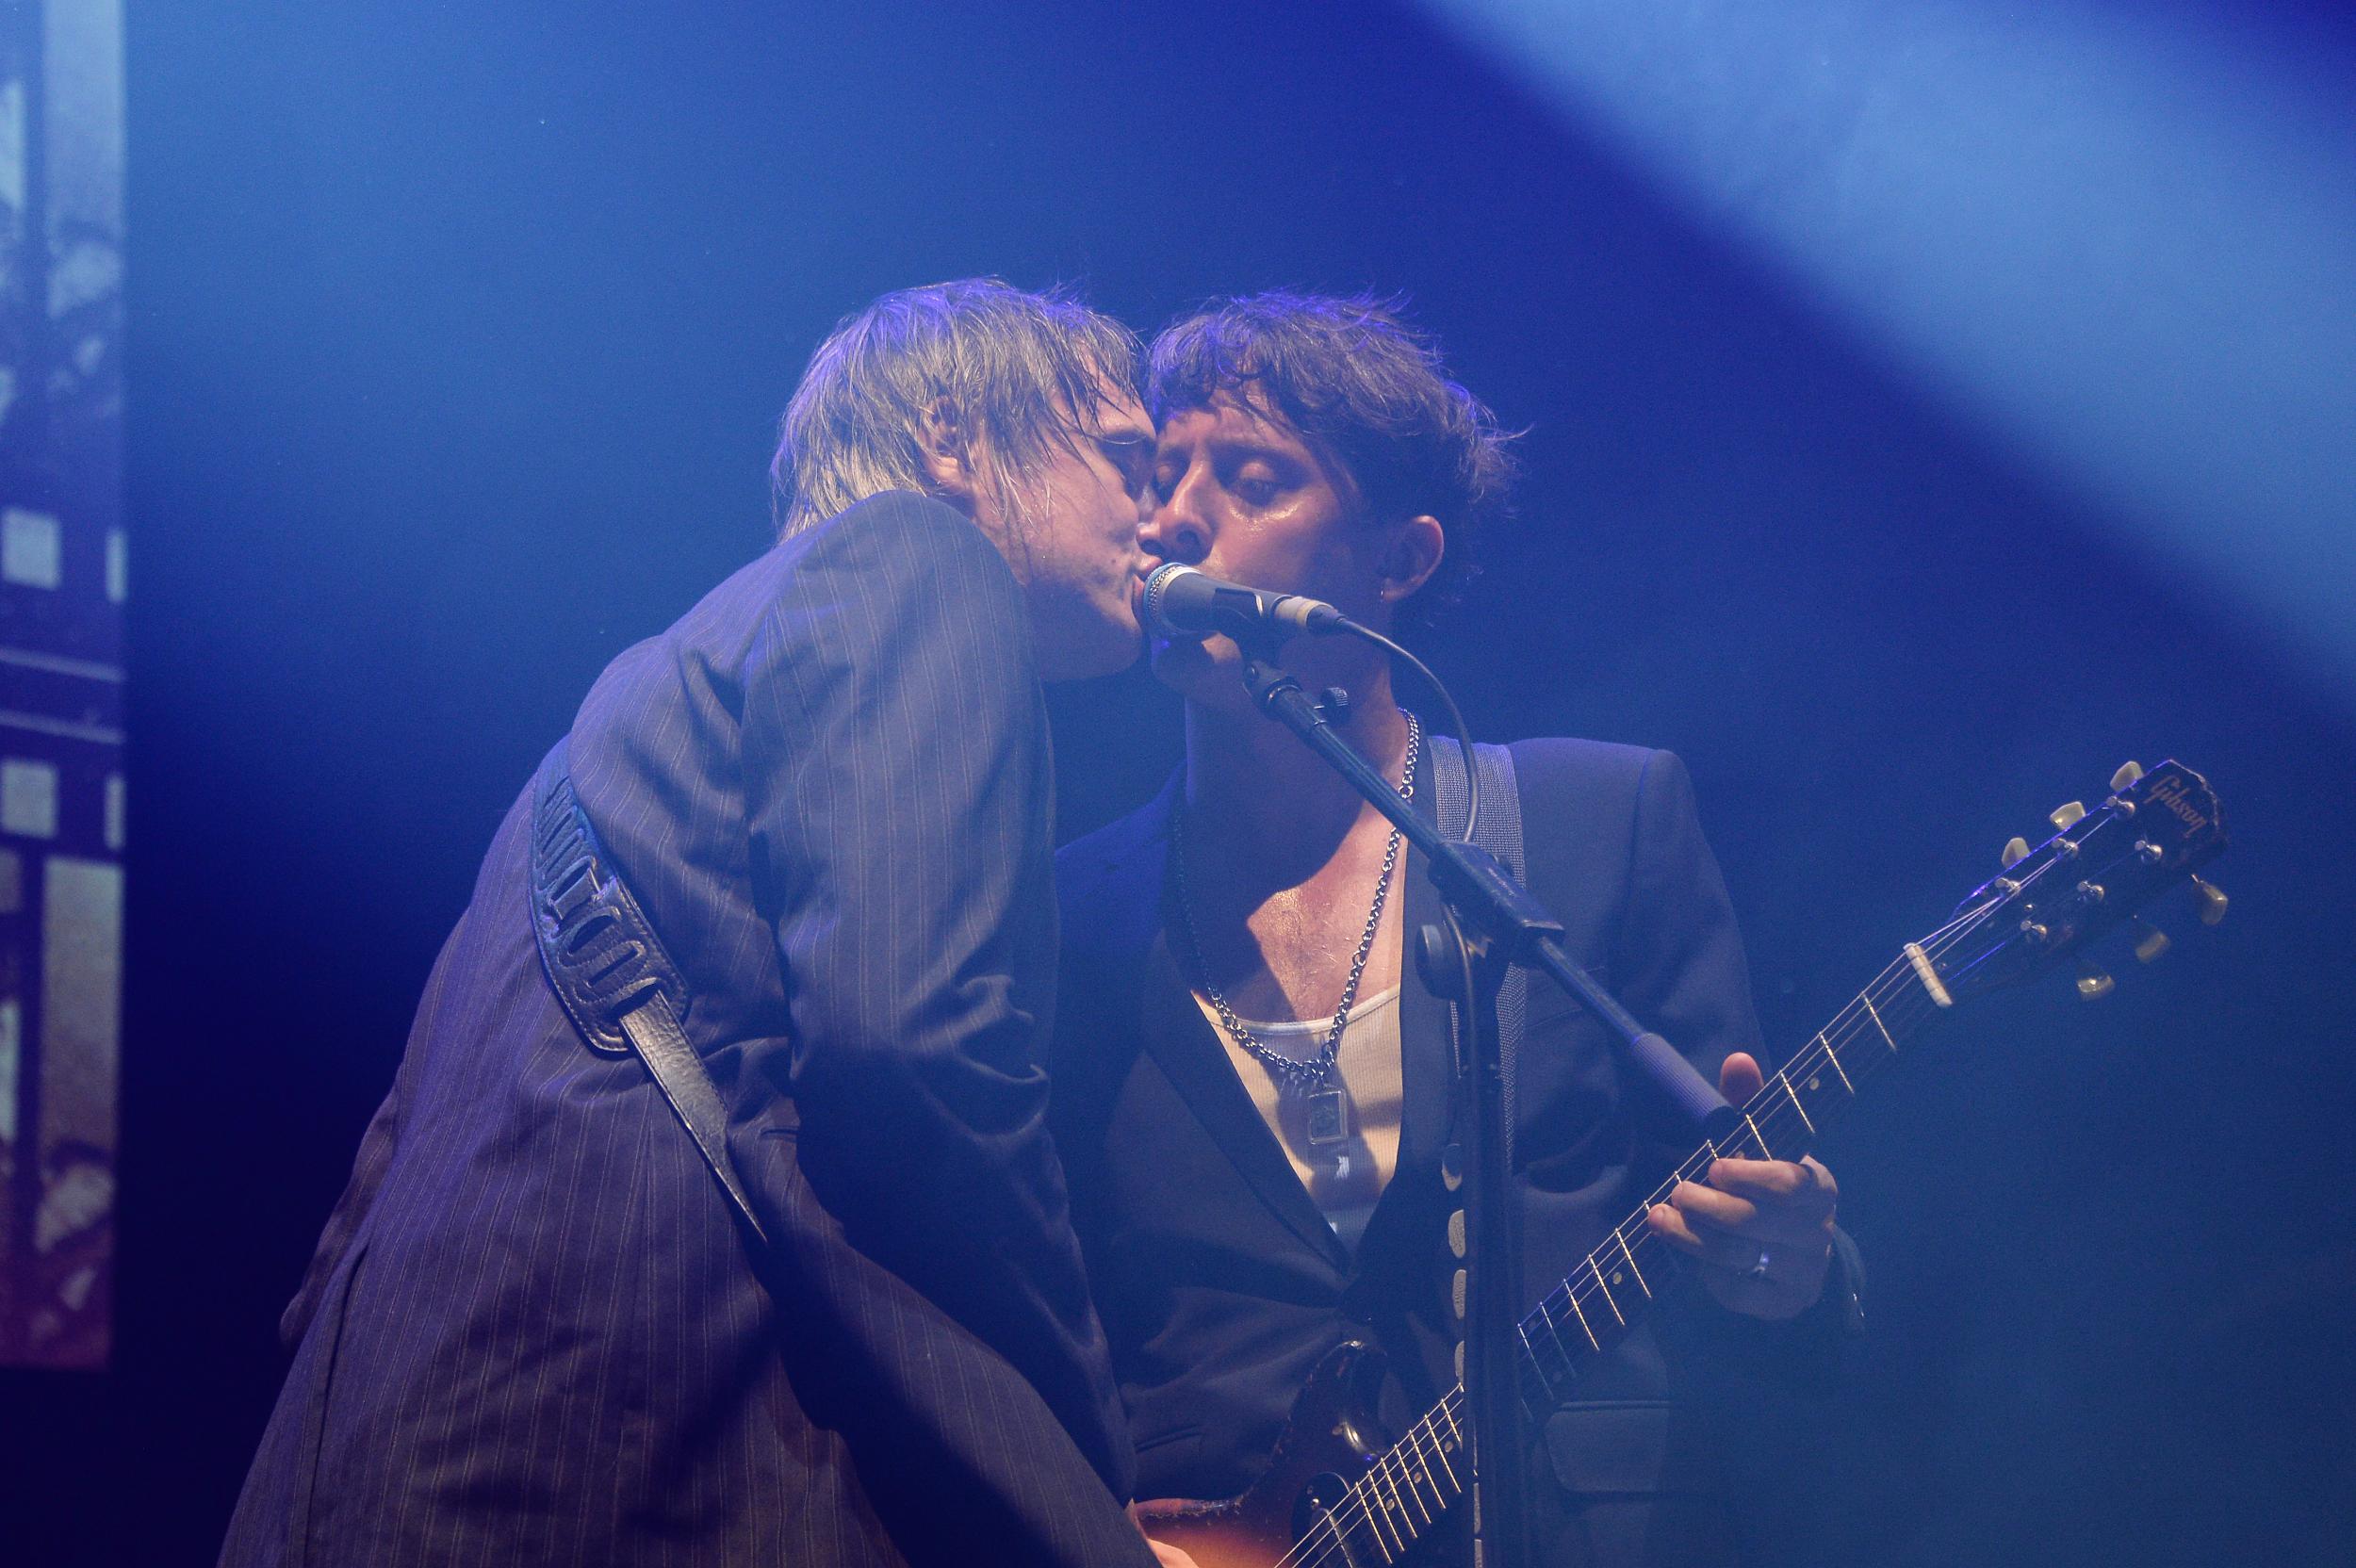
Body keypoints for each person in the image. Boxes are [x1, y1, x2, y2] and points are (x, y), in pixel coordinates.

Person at [221, 279, 1172, 1568]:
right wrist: (1079, 1459)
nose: (1161, 515)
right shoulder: (922, 564)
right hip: (646, 1460)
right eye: (1127, 461)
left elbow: (371, 1186)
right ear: (955, 442)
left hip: (384, 1465)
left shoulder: (607, 722)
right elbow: (916, 1050)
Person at [1053, 293, 1860, 1568]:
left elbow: (1738, 1252)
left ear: (1400, 559)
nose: (1175, 517)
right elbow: (1035, 1323)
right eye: (1160, 475)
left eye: (1253, 480)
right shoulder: (1064, 917)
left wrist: (1793, 1267)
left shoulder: (1602, 818)